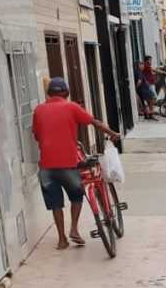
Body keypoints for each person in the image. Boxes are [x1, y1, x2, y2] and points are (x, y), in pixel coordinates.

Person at [31, 77, 119, 250]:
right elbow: (94, 123)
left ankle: (62, 239)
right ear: (66, 92)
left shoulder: (39, 110)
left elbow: (36, 135)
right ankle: (74, 230)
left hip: (46, 167)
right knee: (76, 196)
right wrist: (112, 133)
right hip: (67, 164)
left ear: (49, 93)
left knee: (55, 203)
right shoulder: (71, 106)